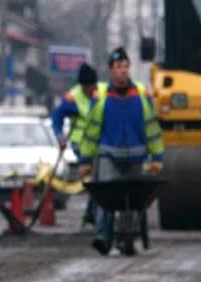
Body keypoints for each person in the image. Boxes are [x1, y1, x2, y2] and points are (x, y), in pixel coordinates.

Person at [78, 47, 164, 255]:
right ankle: (102, 236)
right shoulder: (101, 98)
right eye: (118, 67)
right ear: (111, 70)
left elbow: (152, 129)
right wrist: (86, 161)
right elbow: (91, 131)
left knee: (134, 200)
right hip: (109, 156)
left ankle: (129, 237)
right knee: (107, 199)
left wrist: (157, 158)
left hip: (136, 156)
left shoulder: (141, 95)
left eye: (125, 66)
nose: (123, 71)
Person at [51, 63, 100, 226]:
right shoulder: (72, 98)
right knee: (94, 176)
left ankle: (92, 211)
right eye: (87, 87)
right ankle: (93, 212)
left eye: (92, 86)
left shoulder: (101, 94)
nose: (90, 90)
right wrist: (60, 137)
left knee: (99, 178)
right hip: (81, 142)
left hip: (100, 141)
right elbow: (57, 118)